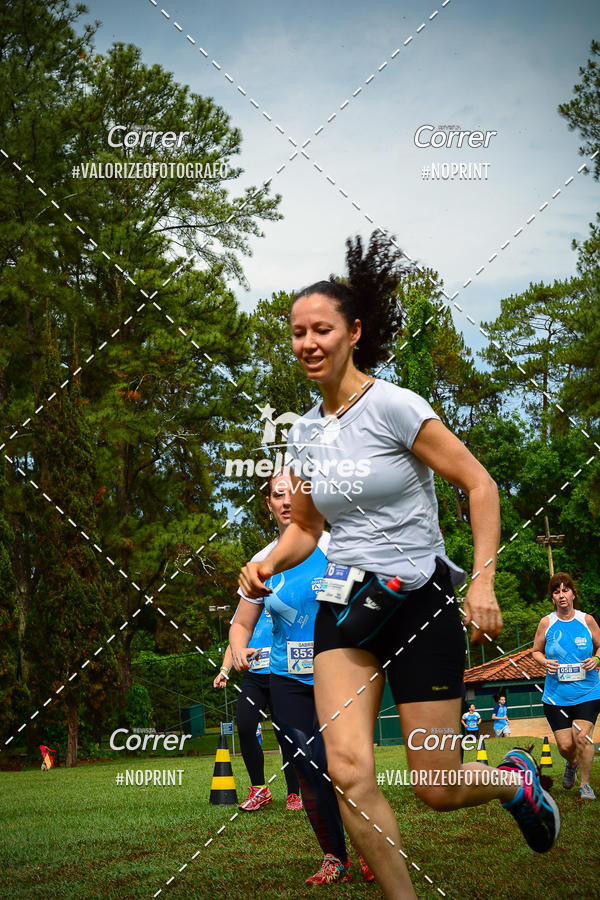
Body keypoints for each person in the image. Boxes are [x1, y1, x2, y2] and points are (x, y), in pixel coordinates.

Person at [239, 233, 561, 898]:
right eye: (297, 332)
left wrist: (485, 581)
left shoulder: (395, 406)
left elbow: (480, 486)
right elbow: (305, 528)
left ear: (353, 332)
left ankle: (513, 780)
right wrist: (267, 561)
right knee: (350, 773)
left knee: (436, 787)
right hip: (344, 607)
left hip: (418, 601)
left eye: (321, 329)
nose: (307, 343)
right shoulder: (303, 432)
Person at [231, 471, 373, 885]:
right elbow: (241, 623)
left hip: (339, 673)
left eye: (294, 494)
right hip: (286, 678)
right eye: (278, 495)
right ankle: (334, 857)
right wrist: (239, 649)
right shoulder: (264, 562)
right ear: (269, 505)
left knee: (345, 767)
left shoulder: (334, 546)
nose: (287, 502)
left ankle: (369, 849)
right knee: (309, 768)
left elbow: (360, 607)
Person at [213, 607, 302, 811]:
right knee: (244, 727)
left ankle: (294, 794)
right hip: (253, 678)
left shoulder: (283, 598)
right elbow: (234, 644)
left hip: (282, 676)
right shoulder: (248, 606)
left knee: (286, 735)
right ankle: (260, 790)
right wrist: (224, 671)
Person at [532, 571, 600, 800]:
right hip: (555, 696)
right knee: (564, 745)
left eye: (565, 590)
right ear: (552, 597)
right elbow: (535, 651)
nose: (561, 595)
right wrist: (545, 662)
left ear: (573, 594)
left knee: (582, 737)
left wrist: (596, 659)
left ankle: (586, 786)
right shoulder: (546, 623)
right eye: (556, 591)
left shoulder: (586, 620)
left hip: (587, 692)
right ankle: (572, 763)